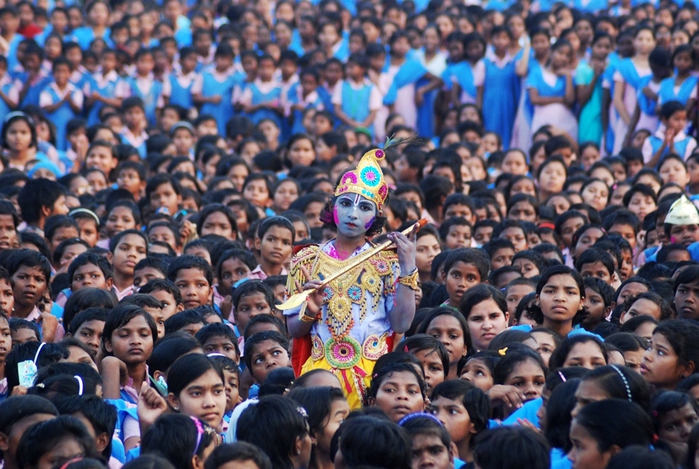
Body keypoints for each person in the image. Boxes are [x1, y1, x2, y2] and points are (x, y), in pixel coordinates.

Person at [286, 146, 417, 408]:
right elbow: (293, 330)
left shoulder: (387, 262)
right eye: (345, 203)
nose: (353, 214)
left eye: (365, 207)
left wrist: (408, 267)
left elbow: (401, 324)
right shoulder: (306, 260)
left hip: (374, 378)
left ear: (376, 217)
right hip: (321, 377)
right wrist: (309, 311)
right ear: (332, 207)